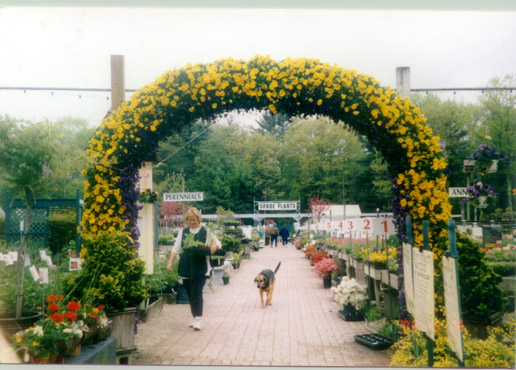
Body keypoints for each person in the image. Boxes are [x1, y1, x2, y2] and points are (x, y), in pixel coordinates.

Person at [167, 207, 221, 331]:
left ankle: (198, 319)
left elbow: (218, 243)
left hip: (200, 267)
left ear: (199, 219)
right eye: (190, 220)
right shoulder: (183, 232)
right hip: (186, 266)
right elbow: (176, 248)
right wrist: (170, 262)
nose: (192, 222)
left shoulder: (206, 232)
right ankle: (194, 316)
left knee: (197, 292)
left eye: (194, 220)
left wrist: (214, 246)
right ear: (187, 220)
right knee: (190, 294)